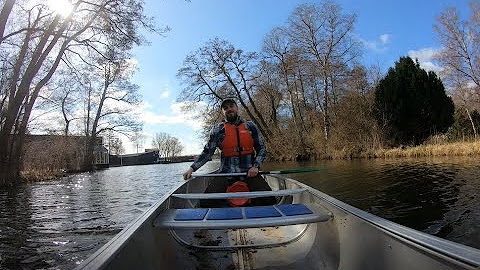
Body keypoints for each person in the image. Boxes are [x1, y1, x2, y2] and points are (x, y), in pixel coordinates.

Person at [183, 98, 276, 207]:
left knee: (270, 201)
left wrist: (256, 166)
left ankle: (250, 205)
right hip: (226, 173)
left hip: (249, 173)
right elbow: (207, 153)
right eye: (225, 108)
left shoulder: (250, 126)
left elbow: (262, 149)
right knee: (205, 203)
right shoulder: (217, 129)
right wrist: (192, 168)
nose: (229, 109)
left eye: (231, 106)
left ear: (237, 108)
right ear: (223, 112)